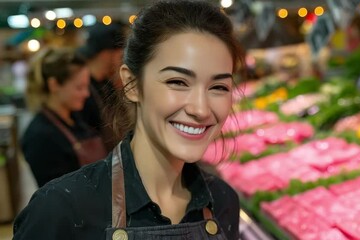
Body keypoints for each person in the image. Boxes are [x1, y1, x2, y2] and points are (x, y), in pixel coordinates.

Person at [13, 1, 243, 239]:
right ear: (132, 84)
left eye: (218, 86)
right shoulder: (60, 211)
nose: (201, 109)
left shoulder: (224, 202)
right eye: (177, 82)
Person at [21, 48, 108, 187]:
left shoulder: (78, 118)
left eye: (87, 87)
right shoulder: (39, 135)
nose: (86, 94)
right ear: (54, 85)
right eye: (79, 88)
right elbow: (54, 195)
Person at [77, 22, 126, 151]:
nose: (122, 60)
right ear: (106, 54)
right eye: (120, 55)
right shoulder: (82, 90)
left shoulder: (107, 84)